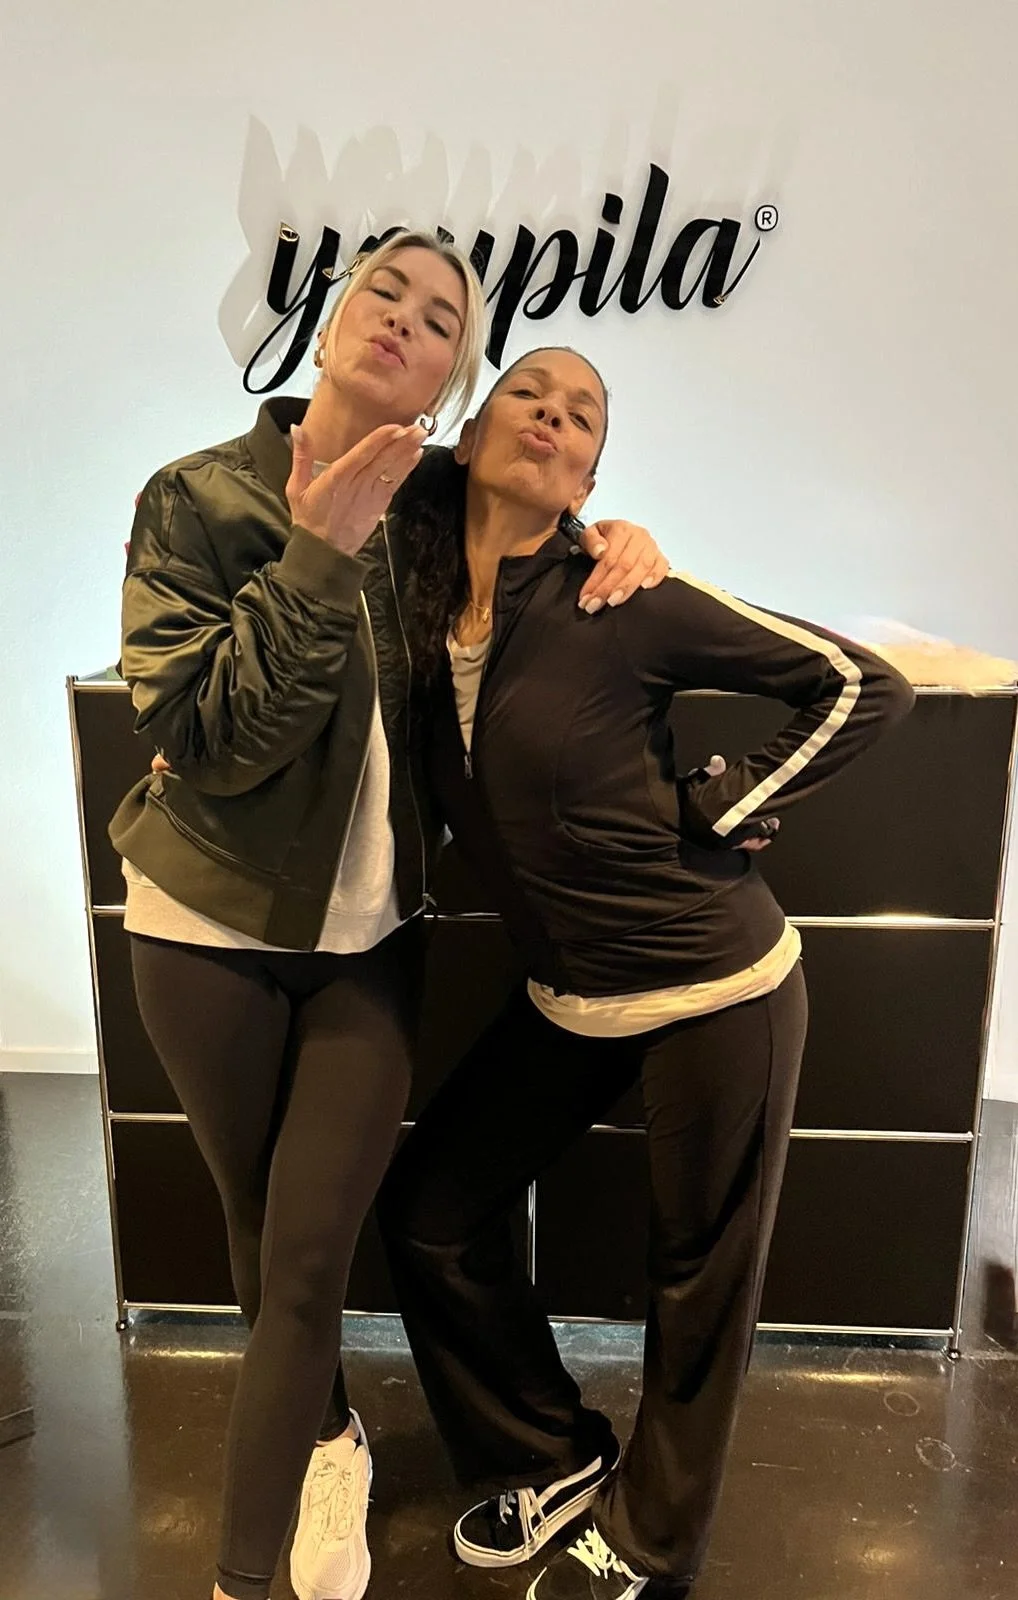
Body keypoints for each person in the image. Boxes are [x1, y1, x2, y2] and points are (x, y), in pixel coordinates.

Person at [109, 242, 668, 1600]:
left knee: (305, 1259)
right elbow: (212, 739)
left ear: (452, 377)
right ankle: (322, 1433)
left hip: (367, 946)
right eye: (386, 298)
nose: (406, 326)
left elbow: (541, 528)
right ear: (334, 322)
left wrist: (625, 536)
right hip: (202, 936)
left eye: (441, 323)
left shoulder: (434, 503)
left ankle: (249, 1571)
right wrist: (315, 551)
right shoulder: (197, 497)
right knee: (262, 1234)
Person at [377, 347, 916, 1600]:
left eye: (581, 417)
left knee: (696, 1278)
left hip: (715, 982)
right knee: (431, 1212)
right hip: (570, 991)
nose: (553, 418)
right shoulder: (407, 589)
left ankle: (651, 1544)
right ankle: (553, 1449)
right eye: (530, 395)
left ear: (589, 477)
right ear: (473, 433)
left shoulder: (622, 595)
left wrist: (729, 800)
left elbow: (859, 687)